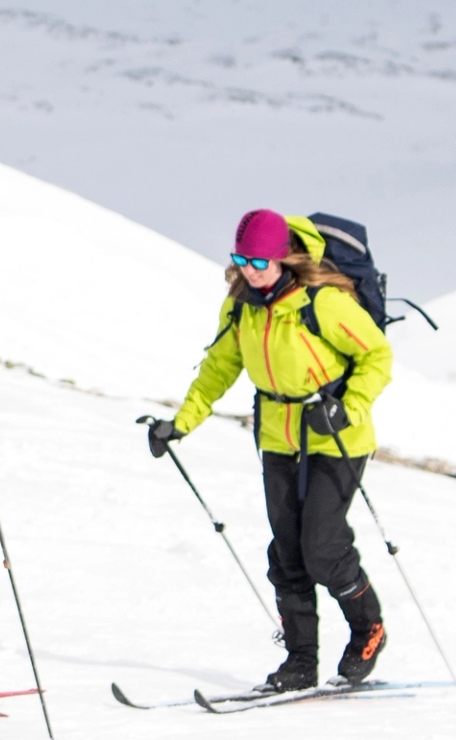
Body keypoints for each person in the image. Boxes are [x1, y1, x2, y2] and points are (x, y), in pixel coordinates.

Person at [145, 209, 396, 692]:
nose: (250, 269)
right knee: (286, 555)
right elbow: (219, 367)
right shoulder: (241, 305)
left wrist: (348, 407)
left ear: (284, 257)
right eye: (241, 258)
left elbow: (377, 356)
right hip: (279, 437)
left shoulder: (322, 303)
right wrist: (179, 424)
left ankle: (368, 629)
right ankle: (301, 664)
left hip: (336, 436)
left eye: (259, 259)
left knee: (322, 547)